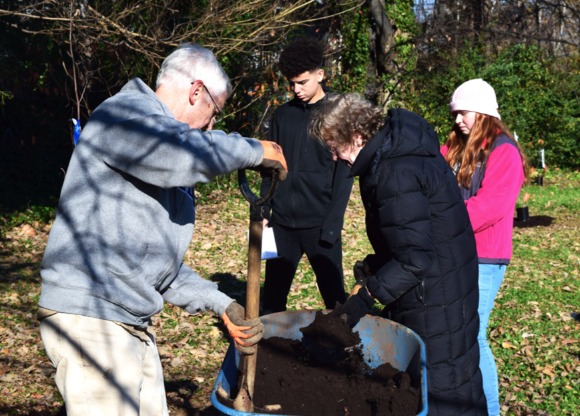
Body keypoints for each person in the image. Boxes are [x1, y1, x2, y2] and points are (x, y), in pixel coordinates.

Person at [38, 43, 288, 416]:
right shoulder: (123, 116)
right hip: (92, 316)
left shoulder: (163, 161)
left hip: (131, 322)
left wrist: (223, 304)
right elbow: (182, 153)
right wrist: (254, 149)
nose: (210, 126)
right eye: (213, 114)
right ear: (195, 91)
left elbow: (159, 268)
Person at [309, 93, 488, 415]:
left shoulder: (393, 171)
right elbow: (421, 233)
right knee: (459, 380)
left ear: (356, 135)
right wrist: (378, 264)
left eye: (334, 146)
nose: (334, 157)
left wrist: (364, 298)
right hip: (448, 286)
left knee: (441, 390)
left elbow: (415, 259)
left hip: (433, 300)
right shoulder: (402, 151)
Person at [442, 78, 529, 415]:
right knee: (456, 335)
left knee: (473, 335)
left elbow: (491, 206)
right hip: (453, 251)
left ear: (480, 112)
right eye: (455, 114)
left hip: (484, 258)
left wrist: (444, 221)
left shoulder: (504, 150)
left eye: (462, 113)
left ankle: (490, 409)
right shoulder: (454, 147)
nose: (457, 120)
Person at [260, 37, 353, 314]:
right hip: (282, 225)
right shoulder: (282, 116)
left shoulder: (338, 114)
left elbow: (343, 176)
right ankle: (269, 351)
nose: (296, 90)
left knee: (335, 299)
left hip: (320, 225)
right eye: (292, 84)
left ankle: (345, 350)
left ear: (320, 75)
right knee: (273, 300)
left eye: (302, 82)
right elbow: (270, 166)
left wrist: (332, 225)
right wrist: (265, 209)